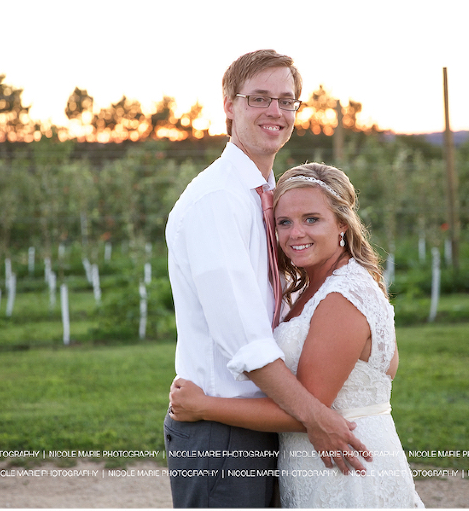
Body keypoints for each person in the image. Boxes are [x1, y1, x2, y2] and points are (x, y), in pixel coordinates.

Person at [164, 51, 370, 508]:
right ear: (229, 106)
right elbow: (245, 343)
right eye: (259, 98)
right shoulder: (216, 202)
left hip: (269, 419)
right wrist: (317, 416)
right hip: (222, 434)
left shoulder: (271, 199)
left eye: (287, 101)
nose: (276, 112)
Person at [169, 163, 425, 508]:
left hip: (345, 470)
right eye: (284, 222)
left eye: (311, 219)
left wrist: (204, 407)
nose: (295, 234)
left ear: (342, 224)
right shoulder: (306, 288)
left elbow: (305, 412)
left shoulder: (343, 297)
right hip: (316, 465)